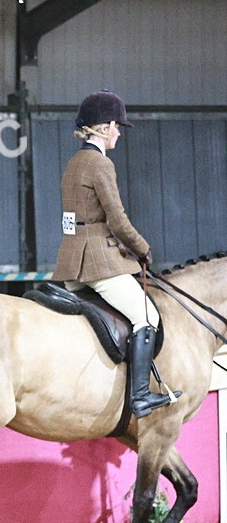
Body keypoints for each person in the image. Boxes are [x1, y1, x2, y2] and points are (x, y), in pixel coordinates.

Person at [53, 89, 181, 418]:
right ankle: (139, 396)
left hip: (71, 262)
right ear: (106, 126)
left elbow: (74, 221)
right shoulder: (100, 164)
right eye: (118, 126)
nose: (120, 132)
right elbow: (118, 220)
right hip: (98, 264)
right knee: (146, 316)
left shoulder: (74, 163)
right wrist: (142, 248)